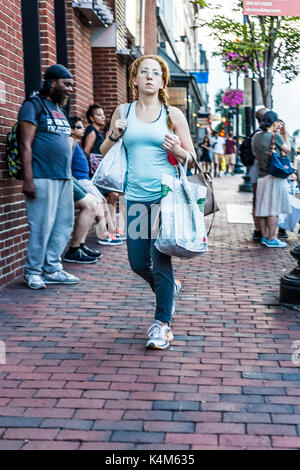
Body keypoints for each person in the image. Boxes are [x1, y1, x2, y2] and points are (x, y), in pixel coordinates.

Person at [100, 54, 195, 350]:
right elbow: (104, 151)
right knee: (137, 262)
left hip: (165, 197)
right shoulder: (123, 111)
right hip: (136, 198)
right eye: (144, 72)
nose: (150, 76)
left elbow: (192, 158)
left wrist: (178, 150)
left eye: (156, 72)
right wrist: (115, 134)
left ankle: (162, 324)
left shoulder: (172, 115)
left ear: (163, 80)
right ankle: (169, 291)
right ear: (136, 79)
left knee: (160, 258)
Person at [19, 64, 79, 289]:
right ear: (52, 82)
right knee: (42, 226)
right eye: (66, 84)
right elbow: (26, 144)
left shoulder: (57, 108)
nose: (70, 89)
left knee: (63, 225)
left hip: (63, 177)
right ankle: (33, 271)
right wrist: (28, 178)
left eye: (72, 85)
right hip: (41, 176)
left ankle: (53, 269)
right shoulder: (33, 106)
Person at [69, 116, 123, 246]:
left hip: (85, 179)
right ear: (71, 130)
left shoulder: (76, 143)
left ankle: (109, 231)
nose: (83, 129)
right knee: (101, 201)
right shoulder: (70, 141)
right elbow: (67, 162)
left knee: (103, 200)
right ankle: (106, 234)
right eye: (79, 127)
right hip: (80, 179)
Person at [254, 110, 291, 248]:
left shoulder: (257, 137)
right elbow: (287, 150)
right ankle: (271, 238)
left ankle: (264, 237)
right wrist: (284, 134)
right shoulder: (275, 136)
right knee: (273, 210)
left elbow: (256, 156)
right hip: (274, 177)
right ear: (274, 122)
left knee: (262, 209)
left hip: (261, 176)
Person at [82, 104, 120, 234]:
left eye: (103, 114)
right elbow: (86, 152)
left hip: (98, 170)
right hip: (93, 173)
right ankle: (109, 228)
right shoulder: (92, 131)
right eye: (99, 115)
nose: (103, 117)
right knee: (112, 195)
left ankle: (112, 227)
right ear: (91, 118)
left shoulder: (97, 131)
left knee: (113, 195)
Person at [63, 179, 103, 263]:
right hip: (65, 176)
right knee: (89, 205)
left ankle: (80, 246)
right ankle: (74, 250)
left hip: (69, 176)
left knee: (94, 202)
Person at [250, 107, 269, 242]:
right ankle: (263, 232)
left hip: (255, 173)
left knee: (257, 201)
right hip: (262, 173)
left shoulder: (255, 135)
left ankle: (258, 230)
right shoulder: (262, 135)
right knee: (263, 202)